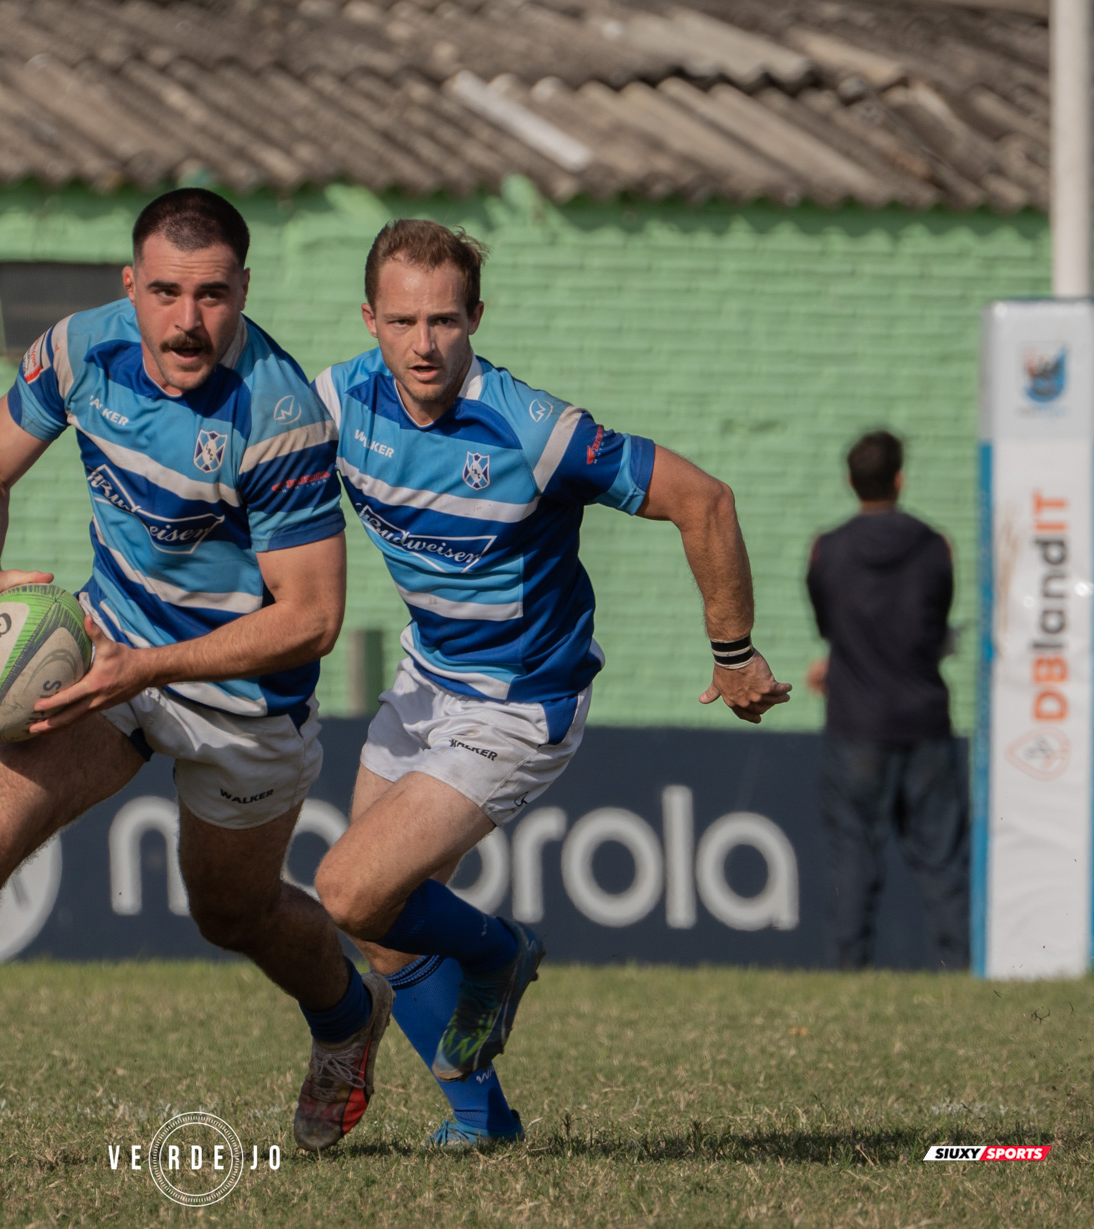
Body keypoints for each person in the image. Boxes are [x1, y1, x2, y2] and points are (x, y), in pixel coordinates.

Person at [0, 189, 396, 1158]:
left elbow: (311, 619)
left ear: (244, 289)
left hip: (242, 697)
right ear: (130, 286)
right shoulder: (80, 351)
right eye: (163, 291)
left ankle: (348, 1015)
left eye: (210, 295)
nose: (185, 320)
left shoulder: (277, 416)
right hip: (105, 645)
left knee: (229, 910)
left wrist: (147, 666)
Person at [308, 220, 791, 1147]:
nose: (424, 343)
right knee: (384, 926)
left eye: (445, 320)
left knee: (349, 886)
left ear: (476, 317)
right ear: (368, 318)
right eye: (402, 320)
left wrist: (733, 652)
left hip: (522, 699)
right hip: (427, 676)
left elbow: (706, 499)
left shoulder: (535, 430)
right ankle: (483, 1124)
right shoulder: (335, 402)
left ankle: (500, 949)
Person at [805, 430, 967, 970]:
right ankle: (959, 975)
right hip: (925, 723)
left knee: (853, 862)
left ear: (851, 482)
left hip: (855, 725)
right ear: (900, 478)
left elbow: (832, 628)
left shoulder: (826, 548)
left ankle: (848, 978)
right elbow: (933, 626)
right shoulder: (935, 545)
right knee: (943, 864)